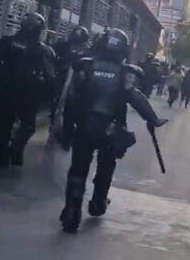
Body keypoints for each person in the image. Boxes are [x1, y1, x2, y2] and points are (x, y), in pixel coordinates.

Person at [58, 29, 168, 233]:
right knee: (106, 166)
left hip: (84, 126)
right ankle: (98, 202)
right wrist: (152, 119)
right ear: (123, 50)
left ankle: (72, 209)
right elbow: (135, 97)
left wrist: (67, 129)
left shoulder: (86, 66)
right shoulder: (125, 73)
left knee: (78, 169)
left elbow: (71, 101)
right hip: (110, 129)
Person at [0, 13, 56, 168]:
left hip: (4, 92)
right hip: (28, 95)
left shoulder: (6, 42)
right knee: (28, 126)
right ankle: (16, 150)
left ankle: (2, 157)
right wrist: (50, 96)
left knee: (3, 125)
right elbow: (51, 77)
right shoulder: (43, 50)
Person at [49, 25, 91, 122]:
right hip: (61, 79)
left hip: (77, 83)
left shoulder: (88, 51)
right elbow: (51, 56)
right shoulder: (62, 45)